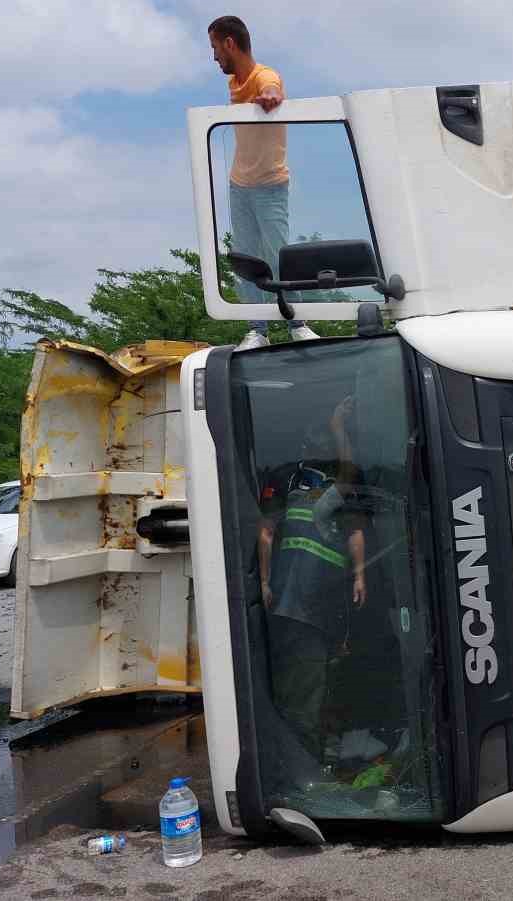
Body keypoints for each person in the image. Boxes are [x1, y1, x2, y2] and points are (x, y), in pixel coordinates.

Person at [256, 397, 366, 759]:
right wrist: (266, 581)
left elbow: (353, 526)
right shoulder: (291, 482)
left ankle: (308, 749)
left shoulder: (334, 492)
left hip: (321, 602)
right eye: (312, 437)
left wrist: (359, 576)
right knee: (303, 683)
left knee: (313, 680)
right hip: (296, 603)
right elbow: (266, 532)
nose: (314, 443)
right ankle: (301, 758)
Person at [207, 15, 319, 350]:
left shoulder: (263, 76)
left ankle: (296, 322)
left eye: (215, 48)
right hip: (239, 185)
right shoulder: (234, 84)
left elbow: (271, 86)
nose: (213, 57)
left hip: (270, 185)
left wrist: (271, 96)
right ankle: (257, 327)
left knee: (276, 255)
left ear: (230, 43)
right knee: (246, 257)